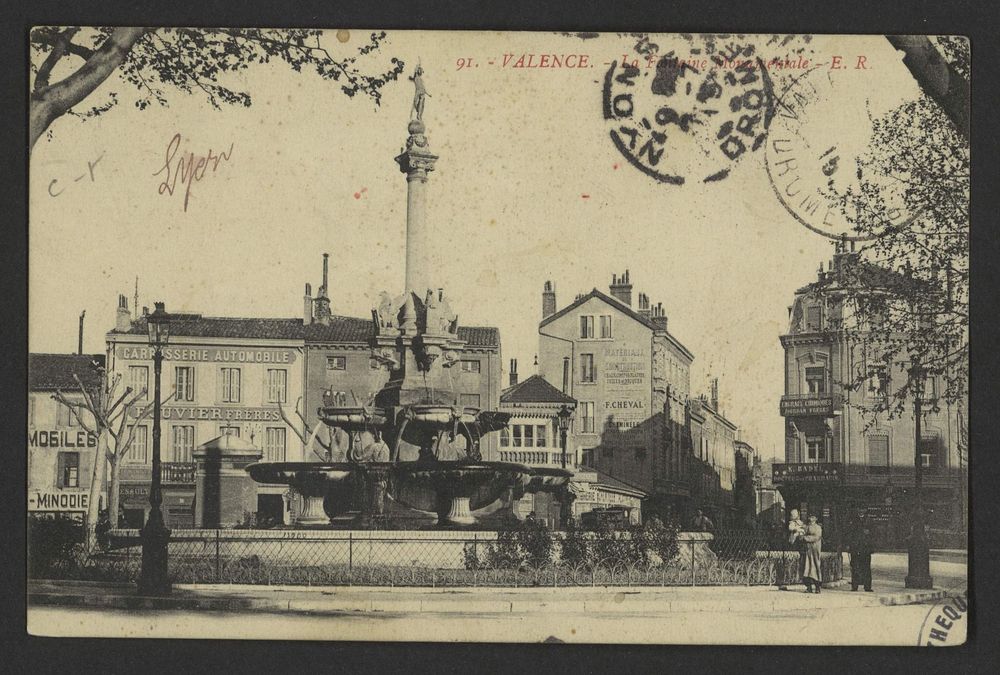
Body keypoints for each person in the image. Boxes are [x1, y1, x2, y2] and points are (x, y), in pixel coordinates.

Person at [849, 520, 875, 592]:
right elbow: (849, 534)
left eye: (863, 509)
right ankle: (854, 586)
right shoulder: (854, 520)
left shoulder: (869, 521)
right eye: (859, 509)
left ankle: (867, 586)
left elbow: (873, 535)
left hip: (865, 550)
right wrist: (850, 546)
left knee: (866, 568)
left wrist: (871, 547)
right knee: (855, 568)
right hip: (856, 548)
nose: (861, 511)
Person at [801, 515, 824, 593]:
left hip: (815, 549)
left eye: (813, 517)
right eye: (810, 517)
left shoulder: (818, 527)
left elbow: (817, 537)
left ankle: (817, 587)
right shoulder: (807, 527)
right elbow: (802, 534)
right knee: (807, 567)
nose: (810, 518)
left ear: (816, 519)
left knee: (815, 566)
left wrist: (805, 538)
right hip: (807, 550)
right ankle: (809, 587)